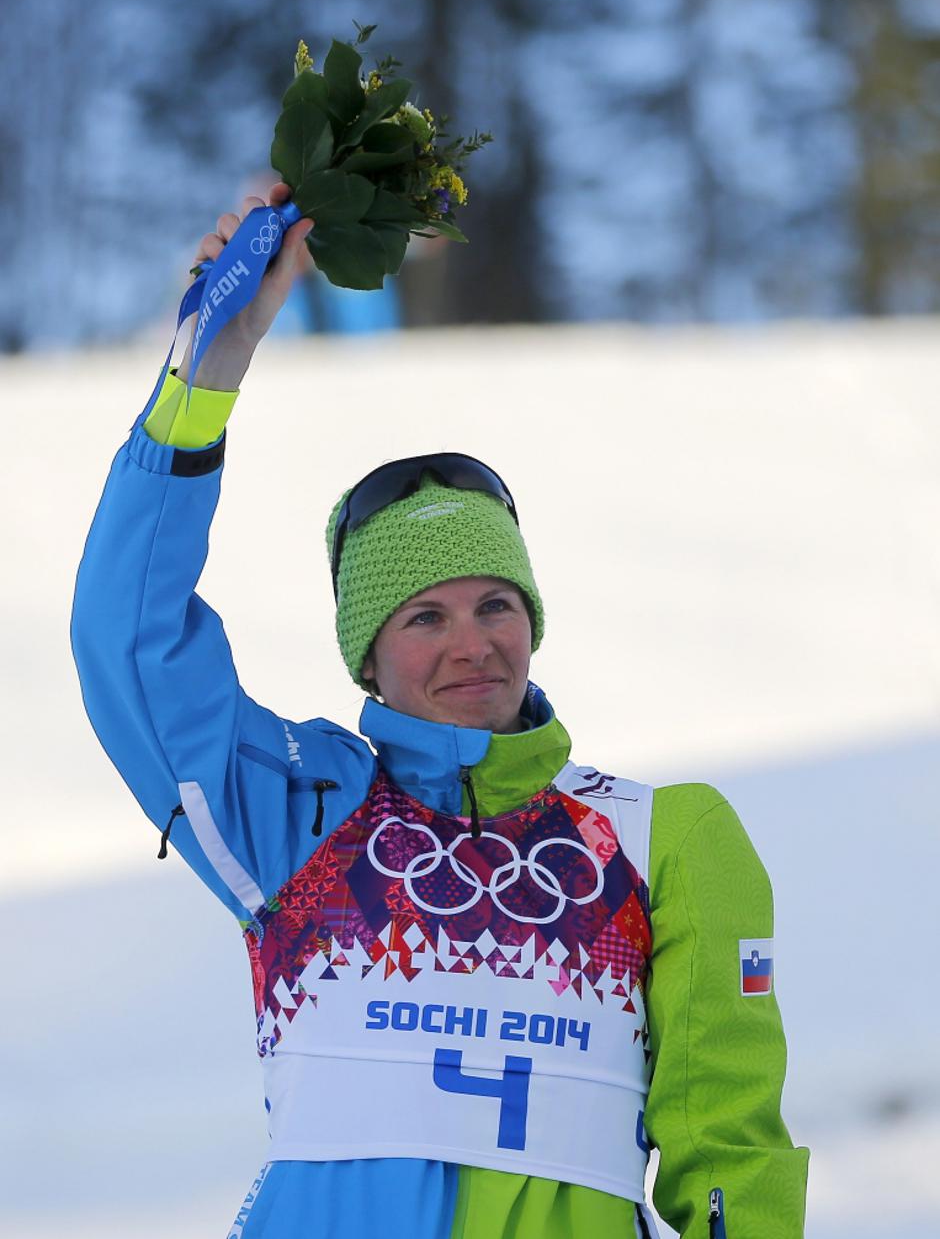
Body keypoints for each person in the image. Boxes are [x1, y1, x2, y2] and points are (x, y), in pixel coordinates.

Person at [71, 182, 809, 1239]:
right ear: (368, 657)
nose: (472, 641)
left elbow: (730, 1139)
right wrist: (208, 367)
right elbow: (126, 639)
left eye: (495, 603)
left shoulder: (661, 838)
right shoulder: (301, 813)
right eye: (423, 616)